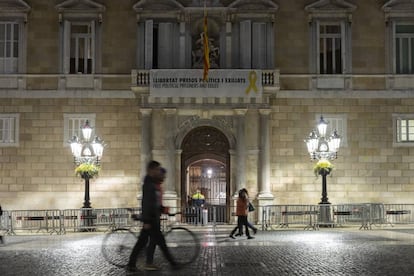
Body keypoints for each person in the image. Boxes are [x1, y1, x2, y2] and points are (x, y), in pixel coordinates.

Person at [126, 161, 179, 272]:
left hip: (152, 219)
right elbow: (147, 203)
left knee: (143, 243)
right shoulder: (149, 184)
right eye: (157, 169)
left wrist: (164, 210)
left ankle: (132, 264)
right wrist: (147, 221)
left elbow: (155, 203)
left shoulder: (152, 183)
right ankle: (173, 264)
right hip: (151, 220)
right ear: (151, 170)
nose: (158, 171)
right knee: (157, 243)